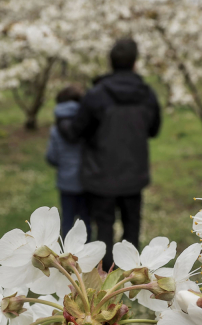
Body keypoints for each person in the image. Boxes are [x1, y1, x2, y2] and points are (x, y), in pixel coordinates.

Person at [58, 38, 161, 269]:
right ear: (135, 63)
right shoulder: (147, 94)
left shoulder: (96, 95)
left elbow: (75, 131)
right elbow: (154, 130)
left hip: (100, 176)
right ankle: (129, 275)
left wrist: (62, 121)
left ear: (111, 62)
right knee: (131, 227)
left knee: (104, 227)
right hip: (133, 176)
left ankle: (105, 278)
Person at [45, 84, 90, 235]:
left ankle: (64, 255)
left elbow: (51, 157)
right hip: (86, 180)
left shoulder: (56, 129)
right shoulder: (88, 123)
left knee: (67, 220)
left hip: (66, 182)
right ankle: (89, 256)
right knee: (85, 221)